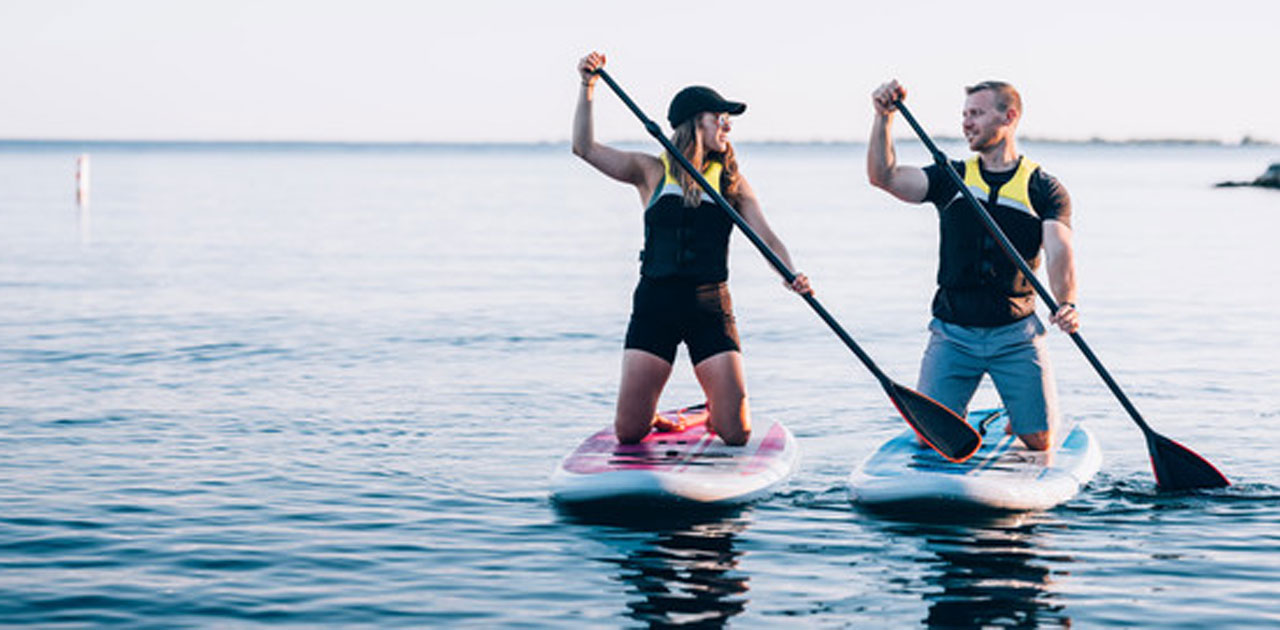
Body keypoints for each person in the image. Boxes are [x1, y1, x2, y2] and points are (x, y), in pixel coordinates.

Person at [573, 51, 811, 446]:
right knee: (629, 432)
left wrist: (792, 274)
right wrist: (588, 87)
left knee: (736, 434)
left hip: (709, 307)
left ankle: (715, 409)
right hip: (655, 305)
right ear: (695, 122)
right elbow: (584, 148)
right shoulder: (649, 171)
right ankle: (661, 415)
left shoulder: (732, 182)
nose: (727, 127)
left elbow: (767, 238)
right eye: (720, 118)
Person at [866, 79, 1079, 451]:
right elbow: (883, 178)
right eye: (964, 115)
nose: (966, 123)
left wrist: (1067, 303)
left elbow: (1060, 252)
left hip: (1016, 335)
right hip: (953, 334)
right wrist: (883, 118)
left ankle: (1019, 414)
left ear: (1008, 116)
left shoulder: (1044, 189)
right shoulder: (951, 178)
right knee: (929, 437)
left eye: (976, 114)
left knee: (1039, 442)